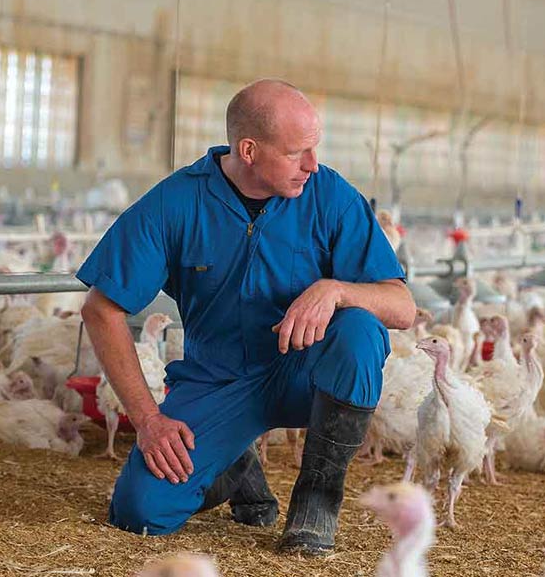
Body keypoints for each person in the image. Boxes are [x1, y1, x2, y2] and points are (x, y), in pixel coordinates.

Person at [77, 79, 416, 555]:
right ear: (249, 150)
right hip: (220, 381)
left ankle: (315, 504)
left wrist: (335, 289)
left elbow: (402, 307)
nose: (311, 165)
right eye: (297, 152)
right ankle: (231, 462)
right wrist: (148, 418)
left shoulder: (330, 196)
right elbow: (101, 308)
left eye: (314, 149)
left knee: (360, 328)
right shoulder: (175, 203)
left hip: (308, 375)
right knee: (141, 512)